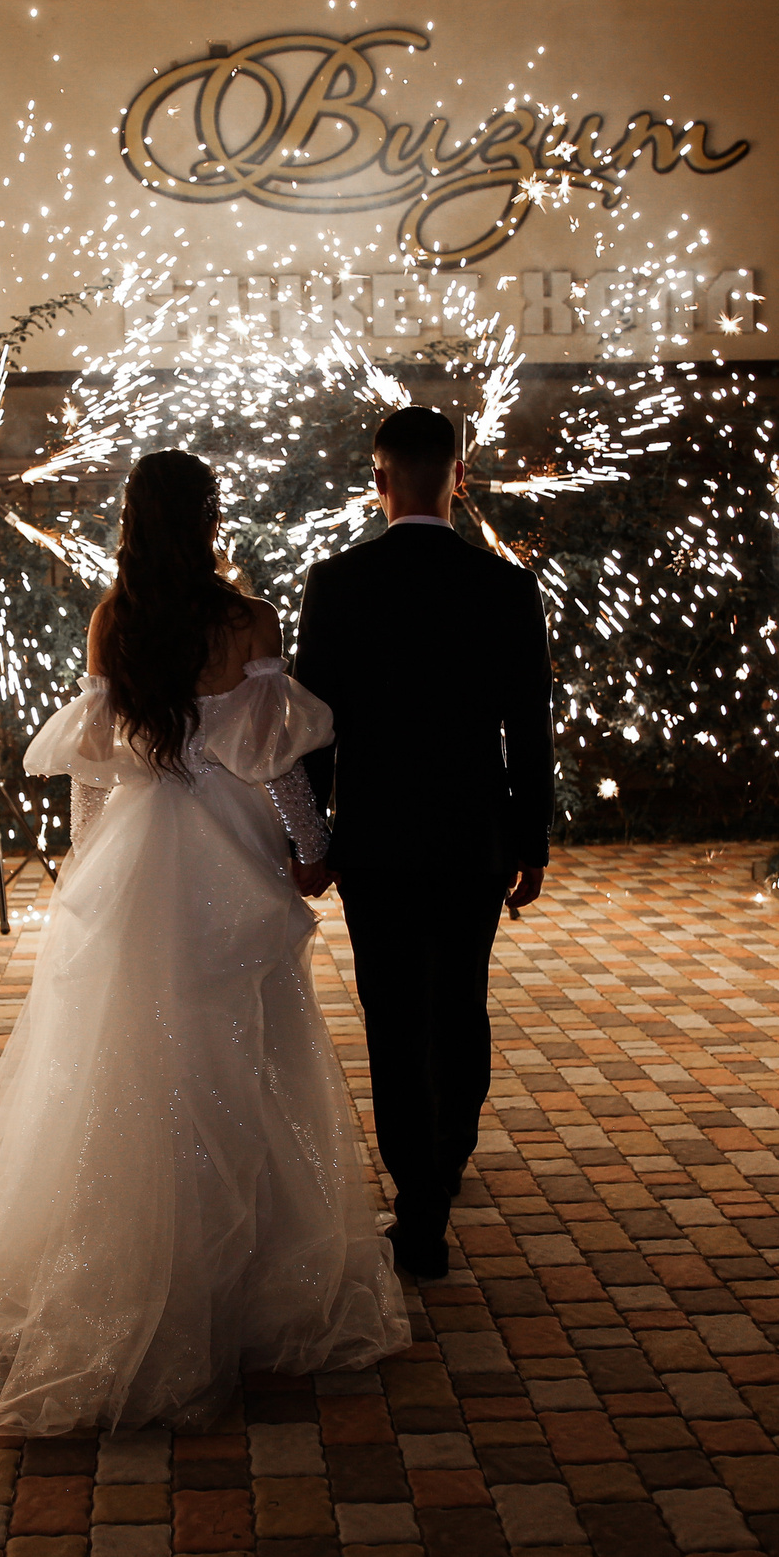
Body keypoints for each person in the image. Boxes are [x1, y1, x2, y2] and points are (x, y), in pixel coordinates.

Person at [0, 449, 409, 1435]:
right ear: (208, 516)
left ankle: (133, 1248)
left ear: (133, 520)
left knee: (130, 1053)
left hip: (139, 858)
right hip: (228, 858)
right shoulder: (245, 621)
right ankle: (245, 1269)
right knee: (242, 1050)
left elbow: (95, 773)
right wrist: (313, 853)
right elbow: (276, 765)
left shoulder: (114, 620)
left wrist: (92, 876)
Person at [294, 406, 555, 1283]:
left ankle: (419, 1203)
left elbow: (316, 732)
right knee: (461, 998)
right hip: (471, 834)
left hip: (375, 840)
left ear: (379, 481)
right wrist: (532, 842)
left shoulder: (336, 584)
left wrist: (316, 837)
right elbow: (530, 728)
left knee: (394, 1016)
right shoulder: (505, 587)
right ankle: (448, 1152)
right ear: (458, 476)